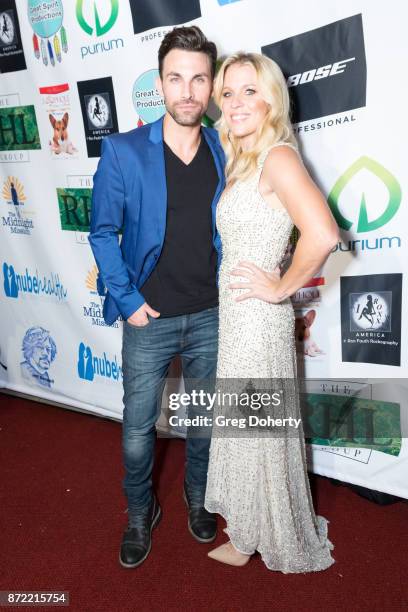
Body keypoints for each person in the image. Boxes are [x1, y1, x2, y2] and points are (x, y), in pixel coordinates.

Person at [89, 26, 225, 569]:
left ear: (211, 85)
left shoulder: (227, 146)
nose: (188, 91)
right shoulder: (123, 151)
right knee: (139, 431)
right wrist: (127, 301)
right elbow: (102, 232)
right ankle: (140, 512)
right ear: (160, 84)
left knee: (205, 421)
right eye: (176, 78)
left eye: (198, 79)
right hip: (149, 317)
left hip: (213, 313)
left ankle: (198, 498)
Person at [204, 52, 339, 571]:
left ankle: (258, 537)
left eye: (250, 91)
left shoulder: (278, 157)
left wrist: (281, 289)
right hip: (238, 315)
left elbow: (324, 234)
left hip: (258, 320)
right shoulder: (245, 160)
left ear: (271, 100)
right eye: (229, 92)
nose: (237, 102)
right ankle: (247, 529)